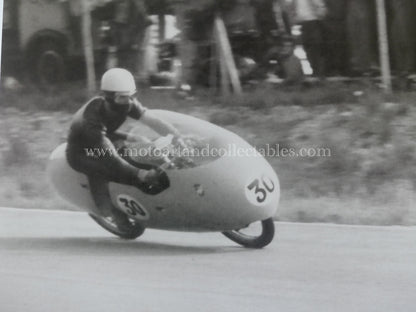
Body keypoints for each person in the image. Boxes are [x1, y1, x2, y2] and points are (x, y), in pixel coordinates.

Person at [66, 68, 182, 230]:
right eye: (122, 98)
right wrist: (140, 174)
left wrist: (177, 137)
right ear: (109, 97)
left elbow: (153, 120)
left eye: (130, 96)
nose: (127, 101)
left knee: (142, 157)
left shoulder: (126, 103)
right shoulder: (91, 118)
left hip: (104, 139)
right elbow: (109, 156)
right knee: (105, 170)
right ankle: (112, 213)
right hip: (82, 153)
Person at [291, 0, 327, 78]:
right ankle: (314, 71)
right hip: (302, 22)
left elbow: (320, 6)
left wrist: (320, 16)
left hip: (313, 21)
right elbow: (293, 8)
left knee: (316, 46)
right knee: (307, 47)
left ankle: (320, 72)